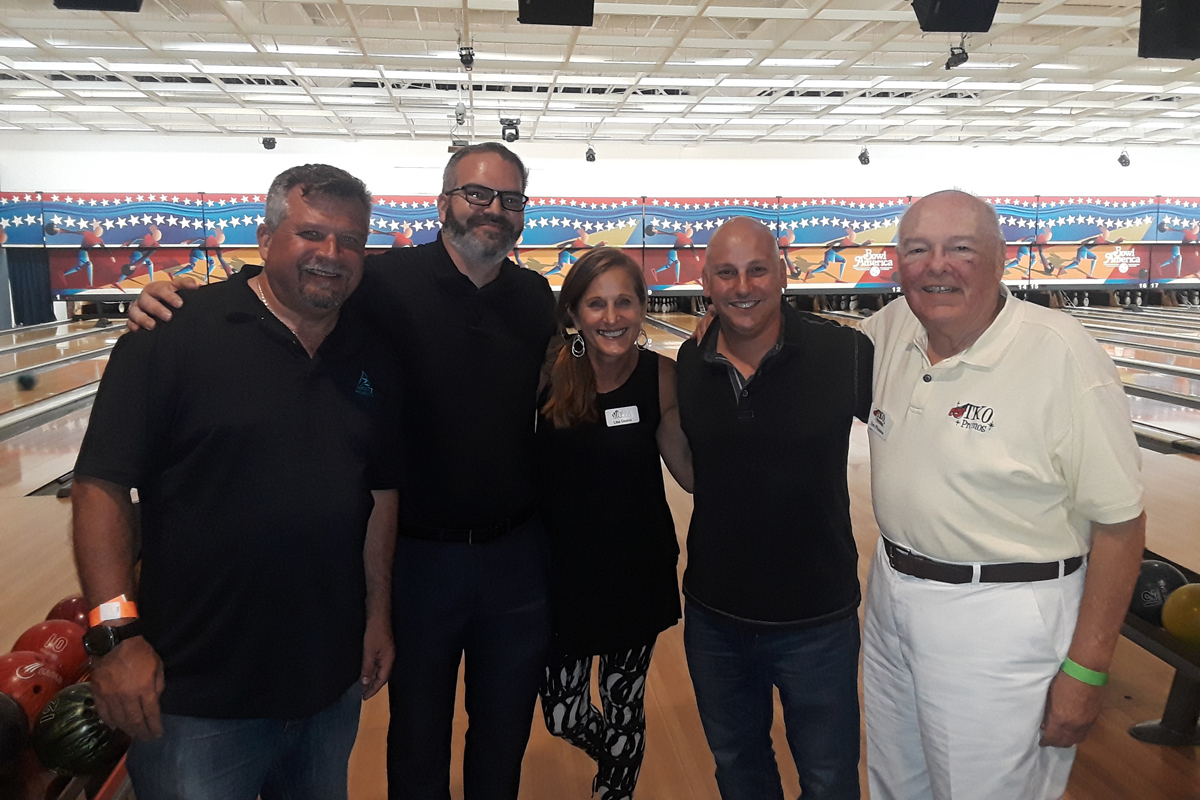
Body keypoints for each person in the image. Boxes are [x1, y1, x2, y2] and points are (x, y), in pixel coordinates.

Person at [128, 142, 556, 800]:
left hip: (515, 556)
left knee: (504, 729)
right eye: (476, 193)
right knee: (417, 731)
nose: (493, 209)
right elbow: (294, 287)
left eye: (510, 199)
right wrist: (183, 296)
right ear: (443, 203)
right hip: (418, 555)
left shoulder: (535, 297)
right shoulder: (382, 282)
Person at [72, 164, 399, 800]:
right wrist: (114, 638)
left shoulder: (372, 353)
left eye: (351, 241)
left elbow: (379, 495)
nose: (332, 253)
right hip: (193, 694)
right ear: (265, 238)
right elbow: (100, 487)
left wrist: (377, 614)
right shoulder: (171, 332)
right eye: (311, 233)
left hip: (326, 684)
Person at [859, 190, 1145, 800]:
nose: (937, 265)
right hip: (891, 594)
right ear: (897, 261)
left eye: (960, 248)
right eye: (917, 249)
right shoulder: (892, 326)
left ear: (1001, 257)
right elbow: (801, 354)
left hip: (1001, 616)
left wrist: (1087, 669)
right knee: (893, 784)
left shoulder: (1062, 354)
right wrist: (723, 322)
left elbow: (1121, 527)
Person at [675, 217, 873, 800]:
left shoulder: (844, 353)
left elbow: (918, 432)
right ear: (705, 282)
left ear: (783, 273)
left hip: (818, 619)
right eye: (726, 273)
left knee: (829, 778)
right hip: (715, 616)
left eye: (757, 270)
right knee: (738, 769)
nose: (743, 287)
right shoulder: (689, 361)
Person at [536, 247, 692, 800]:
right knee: (562, 713)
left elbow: (689, 473)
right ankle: (620, 756)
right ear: (574, 313)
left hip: (635, 567)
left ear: (643, 308)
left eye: (624, 302)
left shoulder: (661, 377)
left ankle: (616, 787)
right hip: (562, 575)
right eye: (596, 304)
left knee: (625, 703)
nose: (611, 317)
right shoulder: (549, 375)